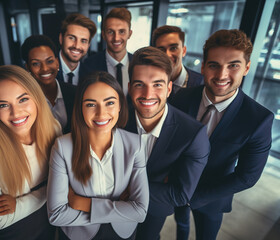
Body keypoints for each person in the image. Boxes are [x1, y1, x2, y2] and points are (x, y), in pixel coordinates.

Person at [170, 29, 274, 240]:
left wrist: (195, 198)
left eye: (233, 65)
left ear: (246, 68)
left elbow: (247, 176)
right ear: (203, 66)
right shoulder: (179, 99)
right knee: (180, 224)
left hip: (212, 199)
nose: (221, 75)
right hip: (174, 185)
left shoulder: (258, 120)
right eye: (214, 65)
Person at [47, 71, 149, 240]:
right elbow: (56, 215)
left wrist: (83, 203)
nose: (101, 114)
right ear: (80, 108)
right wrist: (120, 208)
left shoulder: (136, 145)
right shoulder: (62, 147)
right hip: (79, 234)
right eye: (91, 104)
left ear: (120, 106)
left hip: (122, 232)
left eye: (109, 103)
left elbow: (140, 212)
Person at [0, 65, 60, 239]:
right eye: (3, 105)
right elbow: (0, 220)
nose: (16, 113)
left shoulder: (53, 128)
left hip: (52, 224)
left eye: (23, 100)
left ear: (36, 98)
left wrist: (19, 203)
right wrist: (54, 190)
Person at [125, 46, 210, 240]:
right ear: (129, 88)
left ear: (169, 88)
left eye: (157, 84)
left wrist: (124, 188)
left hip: (154, 211)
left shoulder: (193, 134)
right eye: (140, 84)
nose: (148, 94)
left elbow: (180, 194)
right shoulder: (115, 119)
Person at [21, 34, 76, 134]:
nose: (45, 68)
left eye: (49, 61)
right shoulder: (25, 100)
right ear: (28, 67)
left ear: (57, 63)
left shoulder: (75, 92)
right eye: (36, 63)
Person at [84, 8, 133, 95]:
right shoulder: (89, 65)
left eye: (122, 32)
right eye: (110, 32)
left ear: (129, 34)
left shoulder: (138, 63)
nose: (116, 38)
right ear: (103, 35)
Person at [152, 25, 203, 95]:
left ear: (184, 51)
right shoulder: (149, 81)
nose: (167, 55)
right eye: (161, 50)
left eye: (173, 48)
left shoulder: (201, 83)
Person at [57, 13, 97, 85]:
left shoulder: (91, 76)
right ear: (61, 39)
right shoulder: (47, 70)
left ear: (88, 45)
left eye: (83, 41)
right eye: (72, 38)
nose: (77, 46)